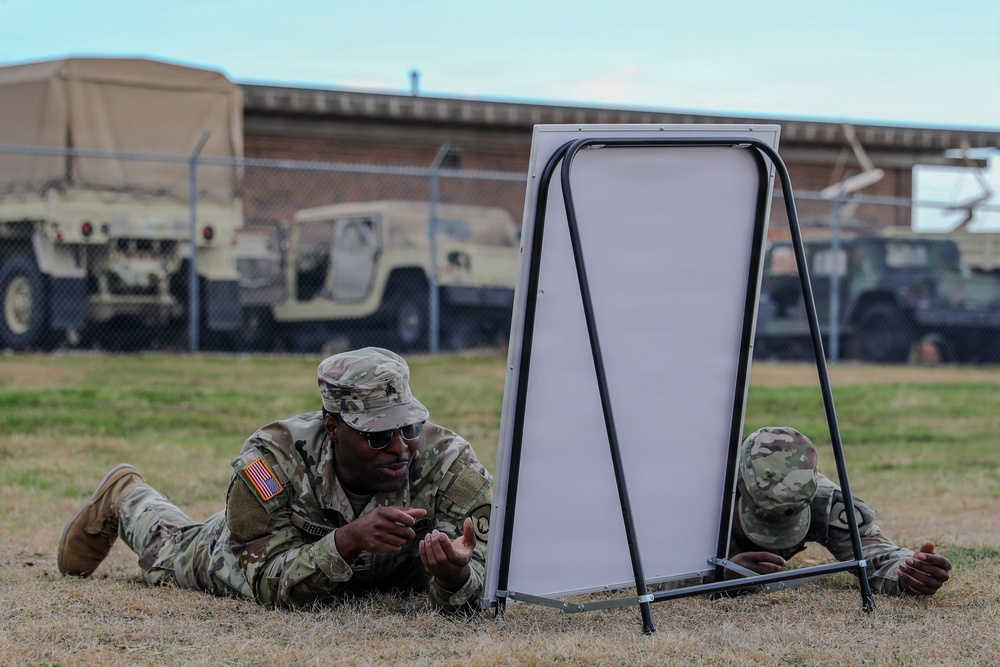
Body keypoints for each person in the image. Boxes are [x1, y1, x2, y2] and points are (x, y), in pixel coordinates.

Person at [57, 347, 493, 611]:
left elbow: (483, 588)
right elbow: (266, 581)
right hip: (245, 554)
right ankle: (125, 495)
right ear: (334, 428)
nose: (400, 447)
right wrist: (347, 540)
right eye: (378, 435)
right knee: (170, 552)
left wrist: (454, 578)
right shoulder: (274, 461)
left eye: (410, 428)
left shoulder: (448, 464)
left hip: (382, 576)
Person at [727, 426, 951, 596]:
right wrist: (719, 576)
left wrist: (909, 572)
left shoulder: (820, 498)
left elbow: (871, 549)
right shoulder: (702, 498)